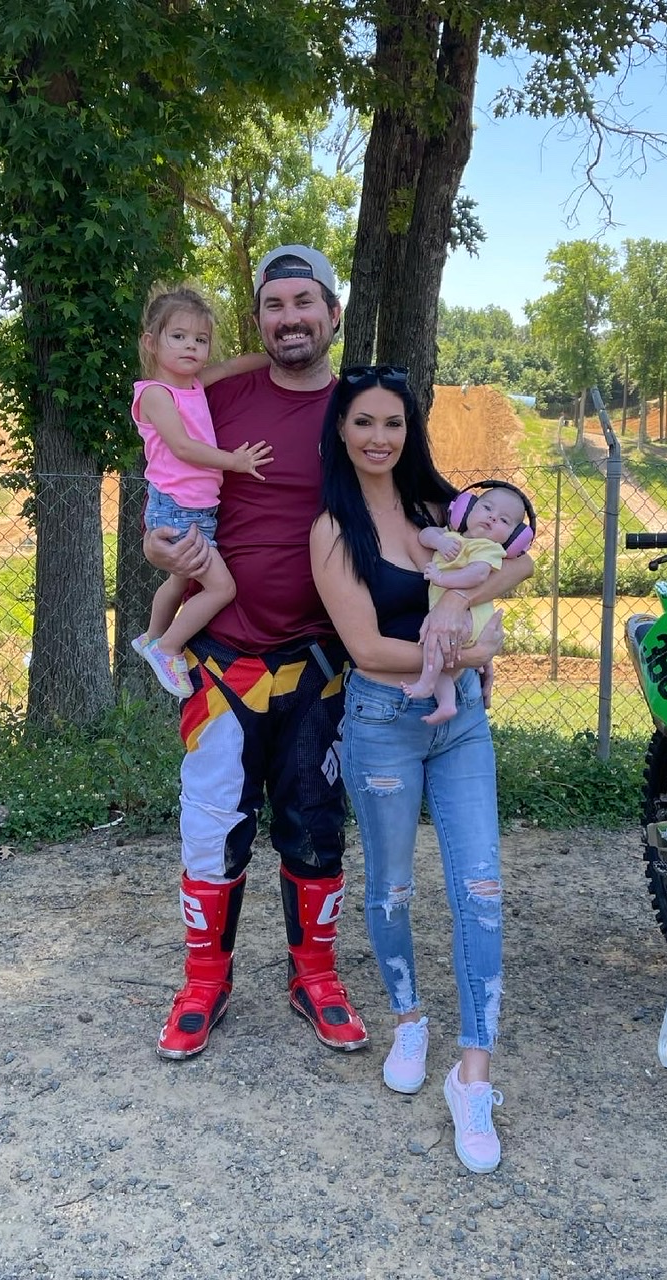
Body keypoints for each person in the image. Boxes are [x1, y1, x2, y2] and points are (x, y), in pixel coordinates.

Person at [144, 246, 438, 1060]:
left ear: (333, 313)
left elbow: (421, 513)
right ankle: (204, 979)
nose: (291, 318)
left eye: (305, 302)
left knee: (316, 824)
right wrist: (157, 545)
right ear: (259, 320)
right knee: (212, 828)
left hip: (324, 666)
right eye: (274, 305)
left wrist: (479, 581)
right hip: (222, 659)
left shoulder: (361, 412)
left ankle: (315, 975)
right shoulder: (214, 395)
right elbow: (164, 489)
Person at [309, 366, 533, 1175]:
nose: (380, 437)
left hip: (461, 722)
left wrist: (455, 608)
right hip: (382, 725)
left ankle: (472, 1074)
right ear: (342, 430)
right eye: (364, 422)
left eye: (394, 423)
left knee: (482, 889)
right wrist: (468, 652)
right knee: (392, 888)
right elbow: (367, 649)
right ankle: (409, 1019)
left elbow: (517, 564)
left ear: (411, 432)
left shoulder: (440, 509)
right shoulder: (333, 530)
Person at [129, 286, 273, 698]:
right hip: (178, 510)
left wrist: (274, 358)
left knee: (178, 582)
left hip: (195, 508)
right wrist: (235, 461)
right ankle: (168, 648)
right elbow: (183, 447)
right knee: (222, 588)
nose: (191, 346)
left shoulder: (192, 384)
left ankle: (151, 637)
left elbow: (230, 368)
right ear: (151, 343)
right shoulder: (156, 394)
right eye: (179, 336)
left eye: (200, 339)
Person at [402, 479, 535, 724]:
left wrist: (442, 578)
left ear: (514, 538)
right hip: (455, 617)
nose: (492, 518)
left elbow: (478, 575)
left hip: (470, 618)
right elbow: (425, 535)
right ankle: (447, 704)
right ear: (466, 508)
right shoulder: (452, 536)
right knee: (441, 659)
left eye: (504, 520)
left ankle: (425, 684)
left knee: (435, 642)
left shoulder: (488, 548)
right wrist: (440, 541)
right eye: (487, 508)